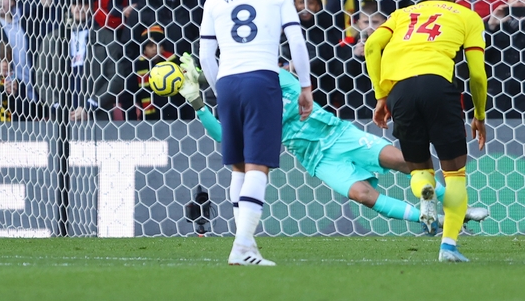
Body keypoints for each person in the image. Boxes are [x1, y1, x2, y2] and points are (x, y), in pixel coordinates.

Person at [177, 54, 489, 231]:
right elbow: (227, 138)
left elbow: (237, 75)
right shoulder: (249, 113)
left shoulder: (277, 78)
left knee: (406, 162)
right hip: (317, 158)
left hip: (340, 135)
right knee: (364, 196)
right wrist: (198, 104)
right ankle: (431, 218)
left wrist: (206, 76)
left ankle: (455, 208)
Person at [199, 0, 312, 266]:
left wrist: (223, 92)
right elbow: (296, 41)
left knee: (238, 166)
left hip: (229, 81)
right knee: (257, 165)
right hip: (261, 79)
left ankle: (243, 246)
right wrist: (305, 85)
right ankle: (244, 245)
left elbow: (206, 55)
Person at [365, 0, 487, 263]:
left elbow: (371, 46)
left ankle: (426, 191)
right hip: (438, 87)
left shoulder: (401, 14)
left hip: (401, 92)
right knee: (455, 174)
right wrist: (479, 115)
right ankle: (448, 246)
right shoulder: (469, 17)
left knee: (420, 169)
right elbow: (478, 75)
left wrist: (381, 97)